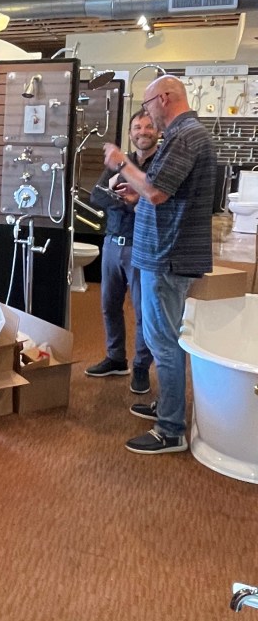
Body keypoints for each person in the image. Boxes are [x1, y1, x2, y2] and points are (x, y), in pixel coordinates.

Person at [103, 75, 216, 455]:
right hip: (165, 253)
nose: (147, 114)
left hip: (166, 256)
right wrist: (137, 192)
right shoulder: (183, 136)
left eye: (148, 104)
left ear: (165, 98)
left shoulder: (185, 136)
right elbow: (159, 193)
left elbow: (155, 191)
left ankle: (170, 429)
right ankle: (168, 406)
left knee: (164, 342)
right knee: (163, 339)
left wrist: (121, 163)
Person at [85, 110, 159, 394]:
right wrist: (130, 202)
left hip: (141, 246)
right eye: (137, 127)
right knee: (109, 306)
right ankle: (116, 358)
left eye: (148, 126)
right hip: (112, 243)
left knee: (142, 311)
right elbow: (96, 194)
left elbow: (158, 199)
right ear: (130, 133)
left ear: (157, 131)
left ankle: (140, 367)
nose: (143, 131)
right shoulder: (121, 162)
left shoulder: (160, 164)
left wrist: (137, 198)